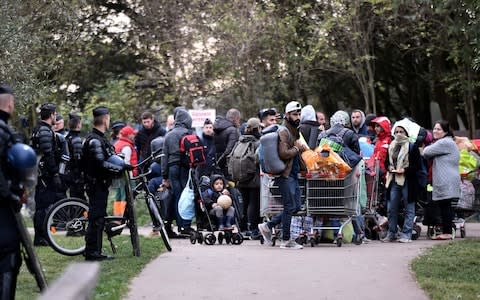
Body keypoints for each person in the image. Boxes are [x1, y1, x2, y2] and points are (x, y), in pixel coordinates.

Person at [258, 101, 307, 250]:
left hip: (293, 173)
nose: (297, 116)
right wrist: (297, 149)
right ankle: (286, 240)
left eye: (299, 114)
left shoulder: (294, 129)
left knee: (296, 206)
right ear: (287, 115)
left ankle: (268, 225)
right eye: (294, 114)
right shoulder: (284, 131)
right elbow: (284, 153)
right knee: (289, 206)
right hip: (285, 175)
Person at [82, 106, 128, 261]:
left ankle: (93, 250)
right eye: (108, 118)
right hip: (96, 184)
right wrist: (120, 169)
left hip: (99, 183)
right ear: (105, 119)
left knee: (98, 217)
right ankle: (92, 252)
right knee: (96, 218)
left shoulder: (98, 138)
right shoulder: (95, 140)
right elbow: (100, 164)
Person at [382, 124, 422, 243]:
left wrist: (404, 170)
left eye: (401, 132)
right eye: (397, 131)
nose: (399, 134)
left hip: (408, 181)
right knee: (391, 208)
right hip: (394, 179)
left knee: (409, 207)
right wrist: (389, 167)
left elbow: (417, 166)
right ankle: (392, 233)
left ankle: (406, 233)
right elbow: (386, 162)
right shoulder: (391, 146)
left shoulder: (412, 147)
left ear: (406, 133)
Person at [0, 85, 22, 299]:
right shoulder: (1, 131)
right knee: (9, 257)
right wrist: (10, 195)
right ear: (9, 104)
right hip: (2, 208)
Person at [422, 120, 460, 240]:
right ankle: (447, 231)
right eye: (434, 128)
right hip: (448, 177)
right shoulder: (446, 142)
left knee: (445, 205)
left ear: (446, 131)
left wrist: (426, 148)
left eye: (438, 129)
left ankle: (447, 232)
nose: (435, 131)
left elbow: (426, 152)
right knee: (445, 205)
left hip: (446, 178)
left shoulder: (444, 142)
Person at [31, 103, 62, 246]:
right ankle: (41, 237)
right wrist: (55, 173)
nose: (56, 116)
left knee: (43, 206)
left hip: (41, 174)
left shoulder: (41, 129)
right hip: (44, 175)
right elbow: (48, 154)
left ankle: (42, 236)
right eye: (55, 114)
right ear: (51, 115)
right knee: (43, 207)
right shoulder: (44, 131)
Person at [162, 107, 194, 235]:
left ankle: (179, 225)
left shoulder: (169, 135)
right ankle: (185, 226)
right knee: (185, 196)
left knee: (177, 195)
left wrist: (164, 176)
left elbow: (164, 157)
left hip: (172, 167)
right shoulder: (189, 134)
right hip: (186, 168)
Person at [236, 118, 262, 239]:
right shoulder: (258, 142)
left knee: (244, 203)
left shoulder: (240, 141)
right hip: (254, 177)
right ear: (257, 128)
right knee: (254, 203)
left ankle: (242, 228)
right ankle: (253, 229)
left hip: (241, 177)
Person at [113, 125, 138, 217]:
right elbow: (126, 163)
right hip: (126, 176)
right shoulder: (127, 147)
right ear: (129, 135)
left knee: (118, 197)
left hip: (117, 175)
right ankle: (126, 217)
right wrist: (131, 178)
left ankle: (117, 217)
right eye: (132, 134)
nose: (134, 136)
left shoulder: (117, 143)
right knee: (127, 197)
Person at [213, 108, 241, 178]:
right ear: (236, 118)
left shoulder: (217, 129)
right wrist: (220, 163)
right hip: (227, 166)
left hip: (216, 163)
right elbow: (230, 150)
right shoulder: (233, 130)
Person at [65, 113, 85, 199]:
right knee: (79, 199)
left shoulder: (67, 137)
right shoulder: (76, 139)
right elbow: (78, 159)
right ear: (78, 124)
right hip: (75, 175)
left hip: (69, 173)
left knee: (74, 198)